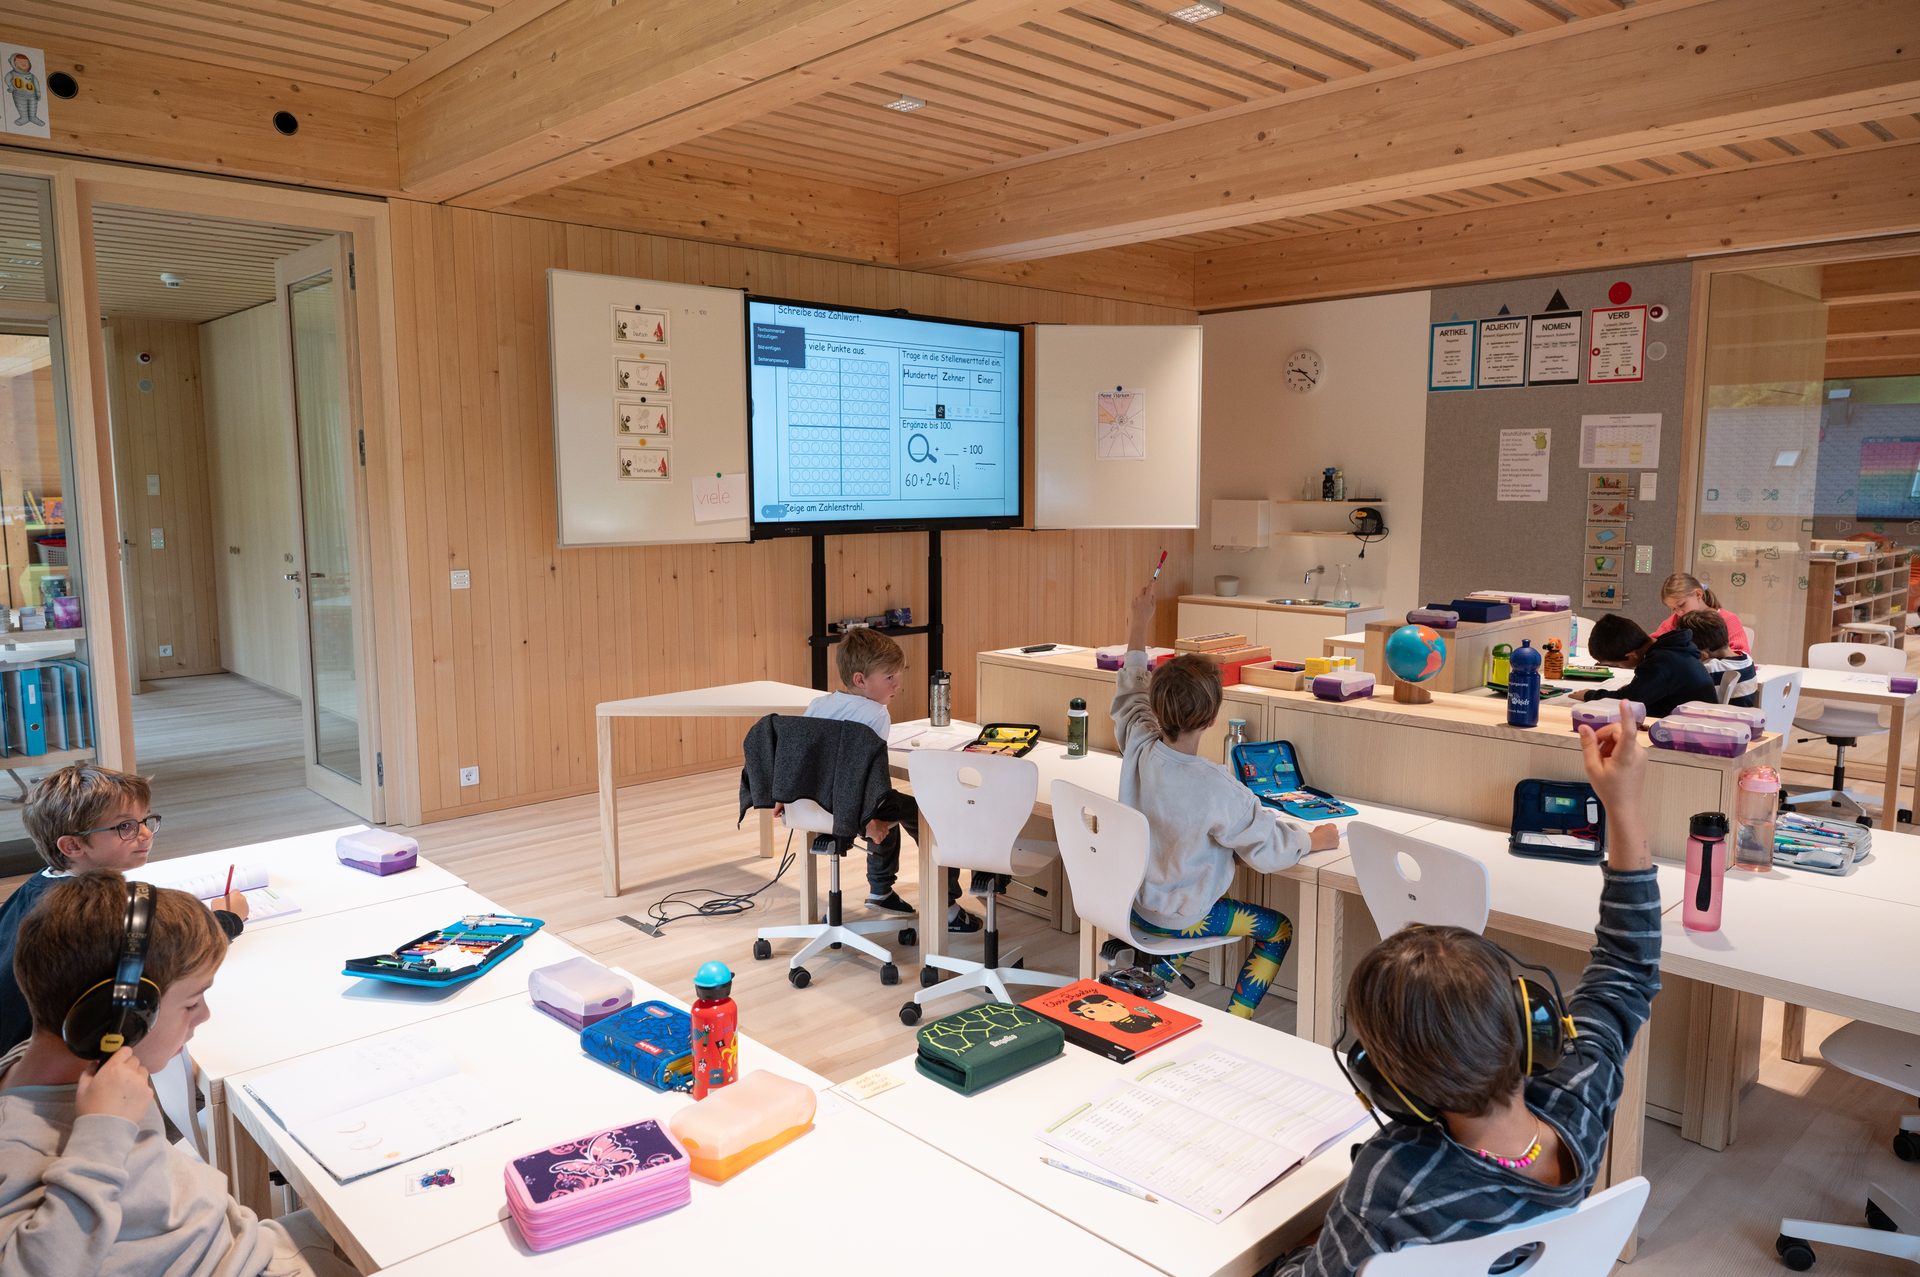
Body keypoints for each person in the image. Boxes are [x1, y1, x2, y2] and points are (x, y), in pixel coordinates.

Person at [1273, 720, 1659, 1277]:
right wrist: (1622, 802)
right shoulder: (1580, 1090)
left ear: (1391, 1087)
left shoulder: (1393, 1181)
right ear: (1530, 1026)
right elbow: (1627, 964)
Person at [0, 872, 353, 1275]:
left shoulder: (105, 1070)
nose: (205, 1015)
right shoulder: (21, 1143)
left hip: (239, 1243)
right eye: (191, 1003)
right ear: (119, 1019)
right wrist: (103, 1132)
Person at [1113, 582, 1339, 1018]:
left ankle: (1151, 992)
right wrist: (1316, 839)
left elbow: (1128, 694)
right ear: (1214, 717)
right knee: (1278, 930)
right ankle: (1238, 1022)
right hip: (1181, 916)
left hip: (1135, 905)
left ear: (1156, 708)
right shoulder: (1218, 787)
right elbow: (1271, 851)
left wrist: (1139, 620)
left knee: (1186, 917)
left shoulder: (1138, 743)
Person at [0, 765, 247, 1055]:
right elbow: (176, 948)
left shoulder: (39, 886)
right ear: (73, 845)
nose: (144, 834)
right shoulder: (87, 912)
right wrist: (230, 919)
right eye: (125, 827)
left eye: (145, 820)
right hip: (32, 1057)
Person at [802, 627, 991, 933]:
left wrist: (786, 797)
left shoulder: (819, 705)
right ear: (861, 680)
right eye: (889, 677)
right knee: (932, 815)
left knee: (890, 803)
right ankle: (947, 908)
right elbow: (859, 777)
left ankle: (881, 890)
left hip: (813, 805)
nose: (898, 684)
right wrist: (868, 820)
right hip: (850, 804)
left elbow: (802, 759)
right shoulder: (875, 714)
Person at [1569, 612, 1716, 718]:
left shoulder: (1659, 663)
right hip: (1693, 719)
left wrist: (1589, 695)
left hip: (1689, 730)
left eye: (1618, 664)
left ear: (1631, 655)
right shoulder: (1671, 650)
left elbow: (1627, 702)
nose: (1621, 666)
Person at [1649, 571, 1749, 654]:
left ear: (1698, 594)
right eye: (1673, 608)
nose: (1679, 612)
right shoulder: (1673, 622)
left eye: (1681, 604)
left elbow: (1741, 654)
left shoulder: (1728, 619)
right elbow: (1651, 645)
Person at [1676, 609, 1758, 707]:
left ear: (1702, 654)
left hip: (1721, 719)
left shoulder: (1710, 669)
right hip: (1741, 718)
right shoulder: (1747, 659)